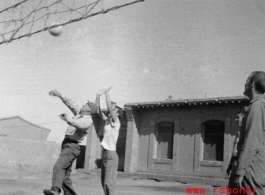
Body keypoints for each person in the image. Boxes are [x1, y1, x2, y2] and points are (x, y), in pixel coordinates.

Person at [44, 89, 97, 195]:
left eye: (86, 104)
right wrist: (60, 95)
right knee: (64, 176)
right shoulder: (79, 113)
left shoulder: (88, 120)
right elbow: (71, 103)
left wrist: (68, 119)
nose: (83, 104)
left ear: (89, 110)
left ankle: (55, 190)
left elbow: (80, 125)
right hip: (67, 145)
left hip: (72, 146)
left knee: (59, 167)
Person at [234, 71, 265, 195]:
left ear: (252, 84)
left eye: (247, 80)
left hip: (251, 168)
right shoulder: (259, 105)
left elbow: (251, 142)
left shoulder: (257, 107)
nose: (244, 84)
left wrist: (240, 172)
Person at [96, 87, 123, 195]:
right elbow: (97, 110)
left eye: (114, 110)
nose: (111, 111)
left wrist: (107, 93)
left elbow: (109, 109)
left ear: (117, 114)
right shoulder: (107, 121)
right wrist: (98, 95)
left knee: (109, 183)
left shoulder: (117, 122)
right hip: (105, 154)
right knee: (104, 183)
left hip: (111, 155)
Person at [226, 111, 245, 194]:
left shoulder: (246, 133)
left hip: (241, 166)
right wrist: (229, 166)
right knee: (232, 190)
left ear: (244, 119)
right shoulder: (238, 133)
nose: (235, 119)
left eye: (238, 117)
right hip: (234, 165)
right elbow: (234, 151)